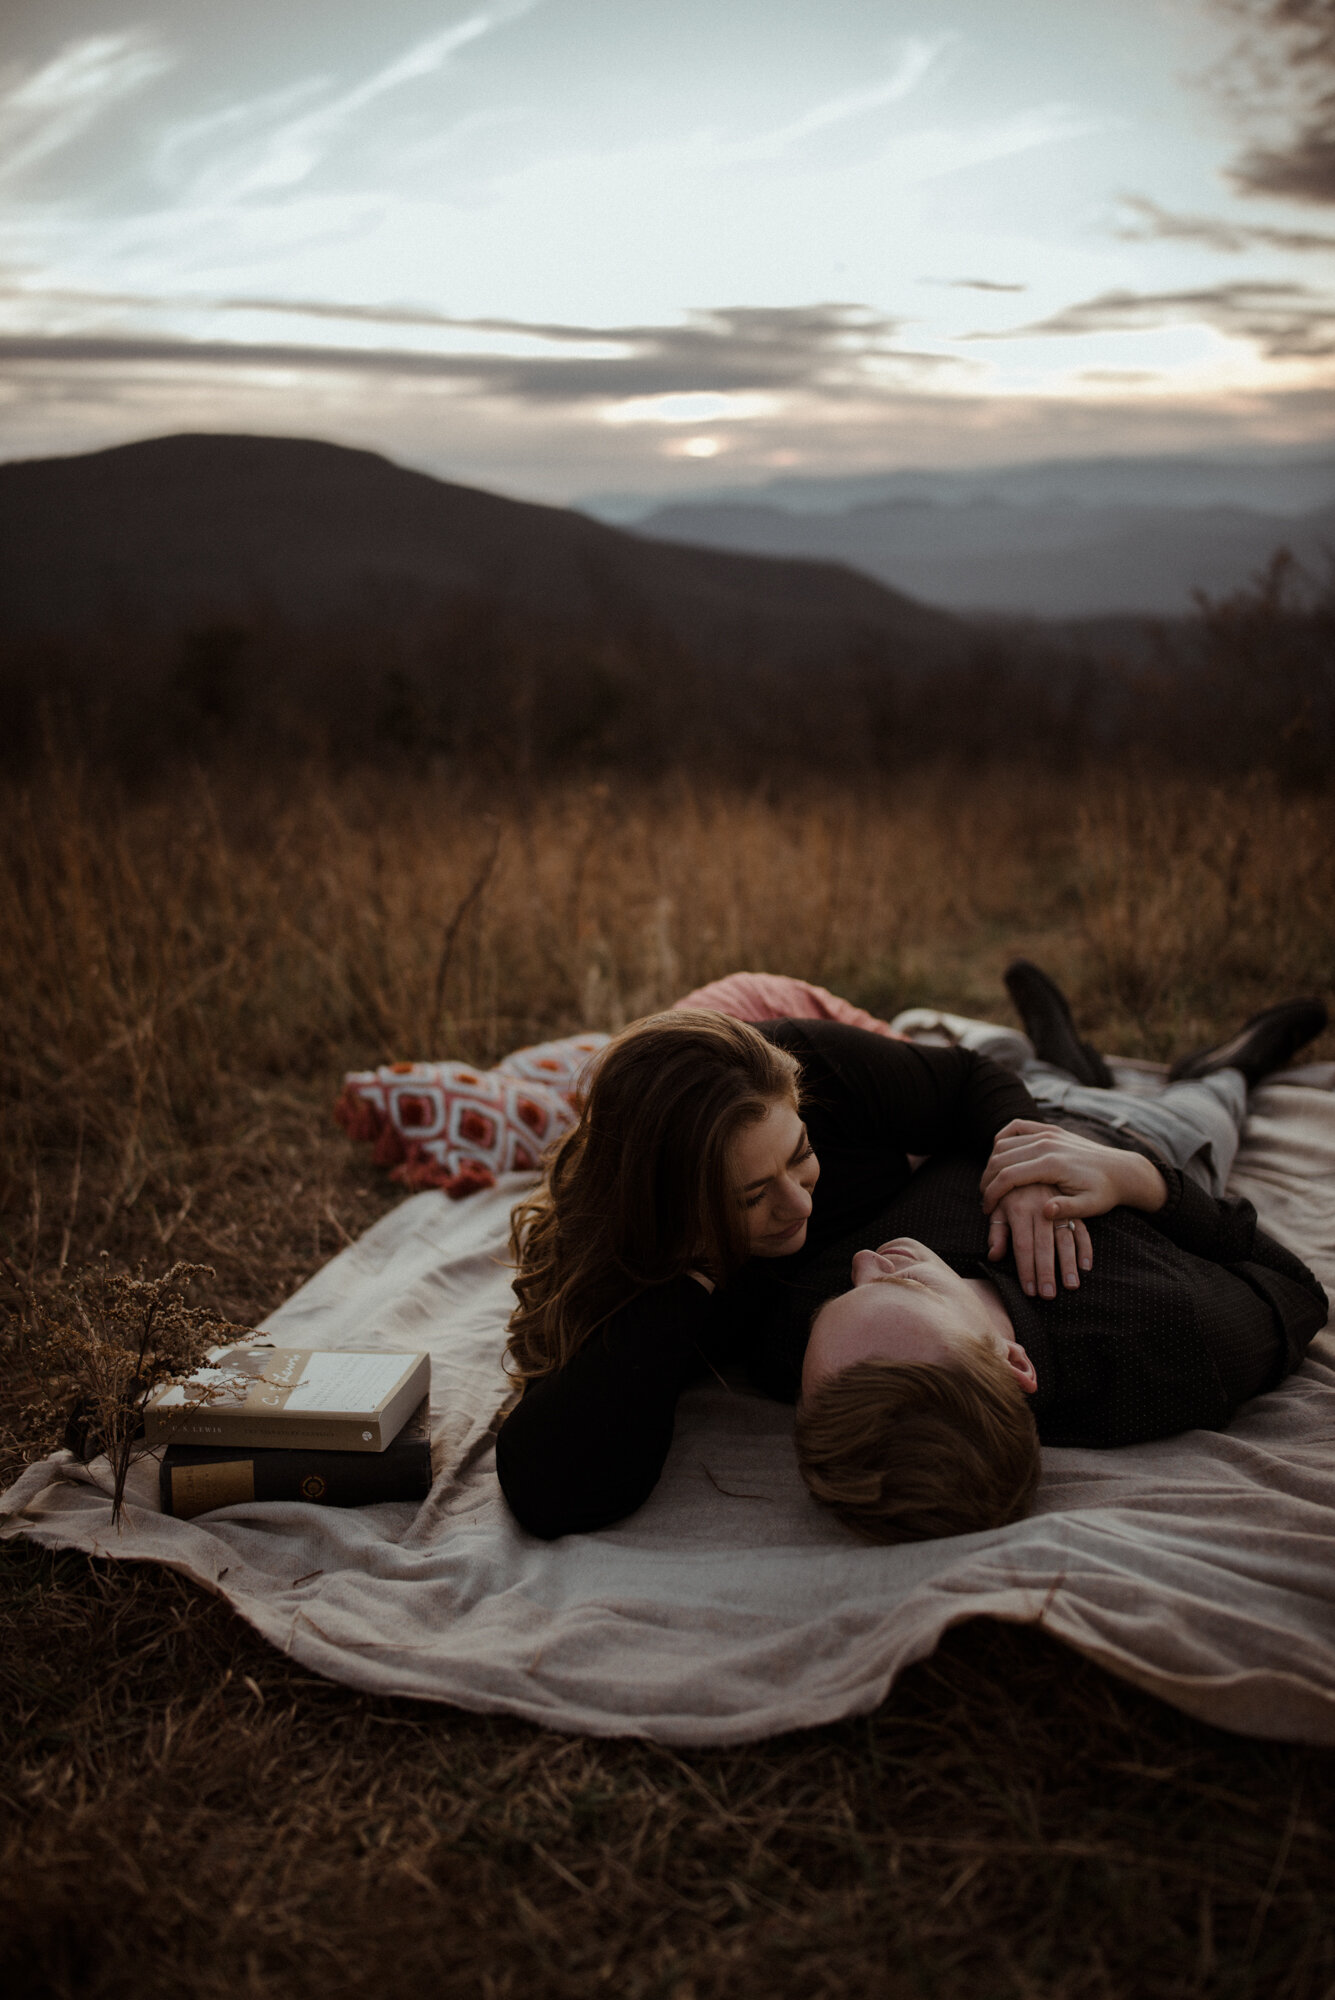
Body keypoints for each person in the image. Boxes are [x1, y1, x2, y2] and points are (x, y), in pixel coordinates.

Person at [496, 975, 1327, 1540]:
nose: (802, 1211)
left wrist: (1031, 1166)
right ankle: (1235, 1061)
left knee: (1036, 1074)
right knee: (1206, 1100)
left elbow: (970, 1085)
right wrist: (1144, 1181)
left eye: (798, 1156)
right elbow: (550, 1480)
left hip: (1030, 1124)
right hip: (1148, 1148)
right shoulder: (1162, 1342)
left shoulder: (812, 1302)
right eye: (751, 1200)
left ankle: (1053, 1044)